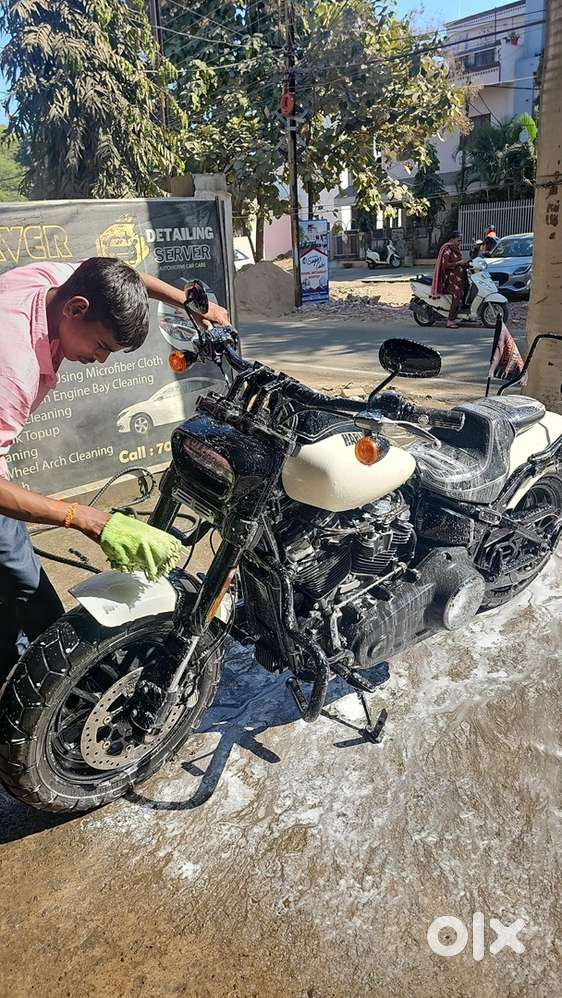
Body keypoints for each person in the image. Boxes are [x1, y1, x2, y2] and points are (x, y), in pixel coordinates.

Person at [0, 256, 228, 676]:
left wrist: (188, 304)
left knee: (16, 580)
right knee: (24, 585)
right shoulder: (13, 365)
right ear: (76, 309)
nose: (101, 360)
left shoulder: (55, 284)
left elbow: (121, 276)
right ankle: (56, 684)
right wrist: (82, 516)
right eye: (102, 346)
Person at [431, 231, 469, 328]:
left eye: (460, 241)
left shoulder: (455, 249)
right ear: (452, 239)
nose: (460, 243)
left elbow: (459, 261)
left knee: (464, 293)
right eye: (458, 240)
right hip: (451, 280)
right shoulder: (447, 249)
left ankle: (459, 315)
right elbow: (445, 265)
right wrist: (458, 263)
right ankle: (450, 321)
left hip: (459, 278)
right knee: (457, 297)